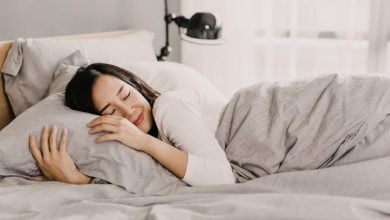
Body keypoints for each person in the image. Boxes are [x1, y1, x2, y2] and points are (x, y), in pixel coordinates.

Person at [28, 63, 235, 186]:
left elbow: (222, 179)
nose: (128, 112)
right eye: (111, 111)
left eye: (126, 95)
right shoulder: (140, 150)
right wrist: (80, 181)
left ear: (136, 85)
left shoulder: (168, 106)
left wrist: (144, 141)